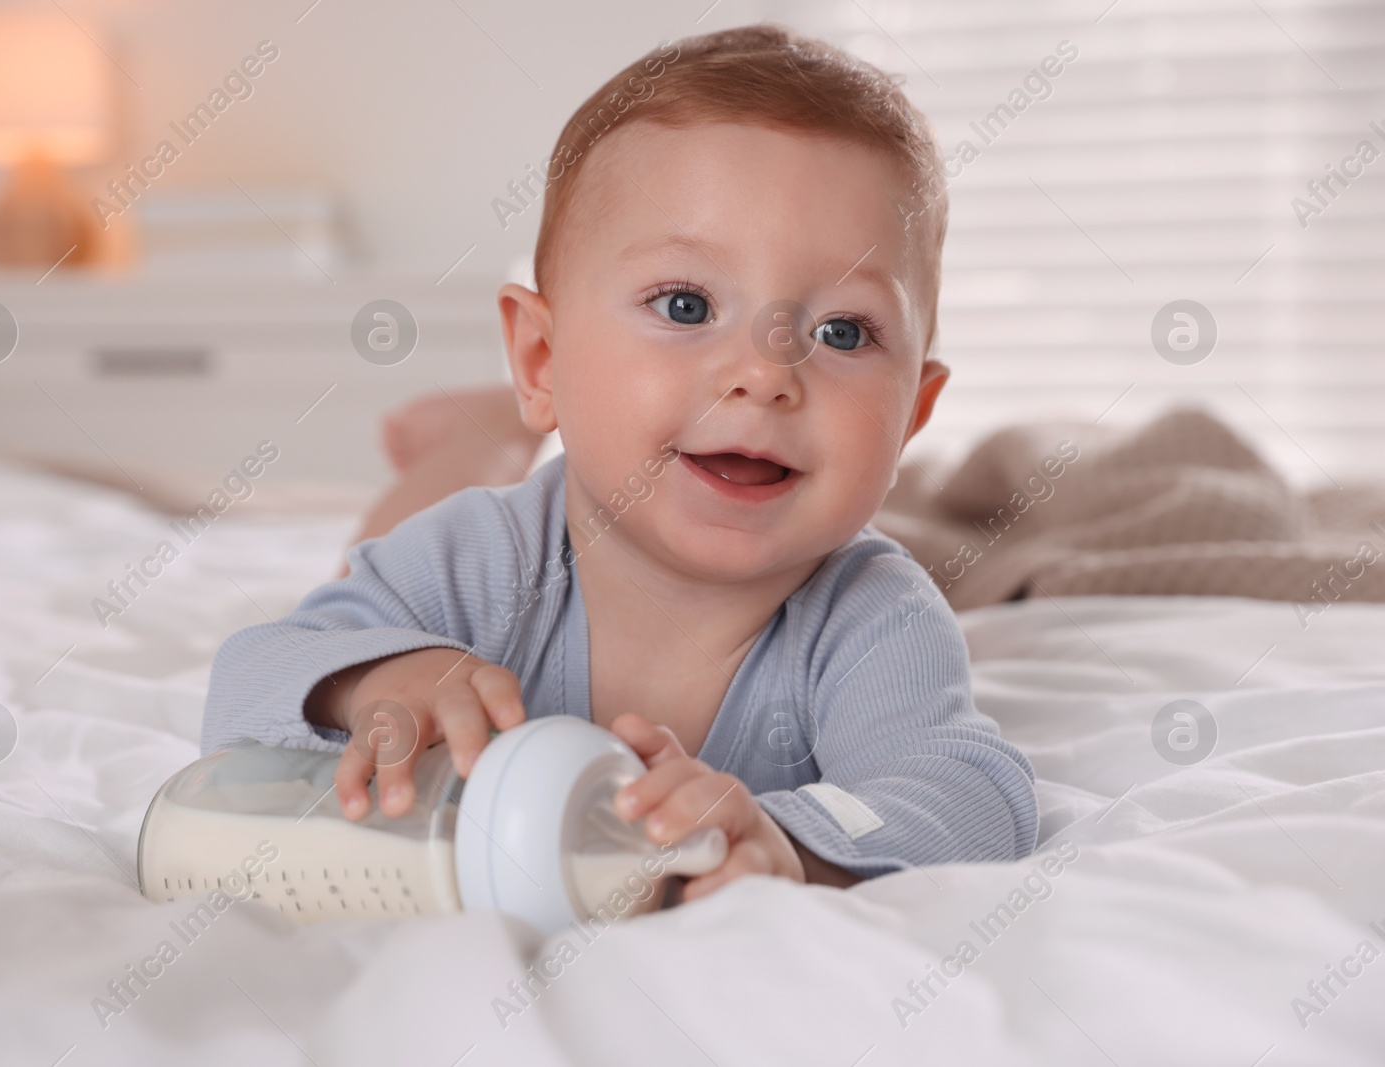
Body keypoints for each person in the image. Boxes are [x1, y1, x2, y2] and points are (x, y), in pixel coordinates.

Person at [203, 25, 1038, 902]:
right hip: (486, 507)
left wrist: (795, 842)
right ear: (541, 361)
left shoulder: (872, 618)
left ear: (911, 417)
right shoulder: (477, 559)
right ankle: (480, 433)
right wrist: (366, 681)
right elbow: (248, 679)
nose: (765, 374)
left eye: (842, 332)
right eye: (686, 304)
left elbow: (971, 797)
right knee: (381, 535)